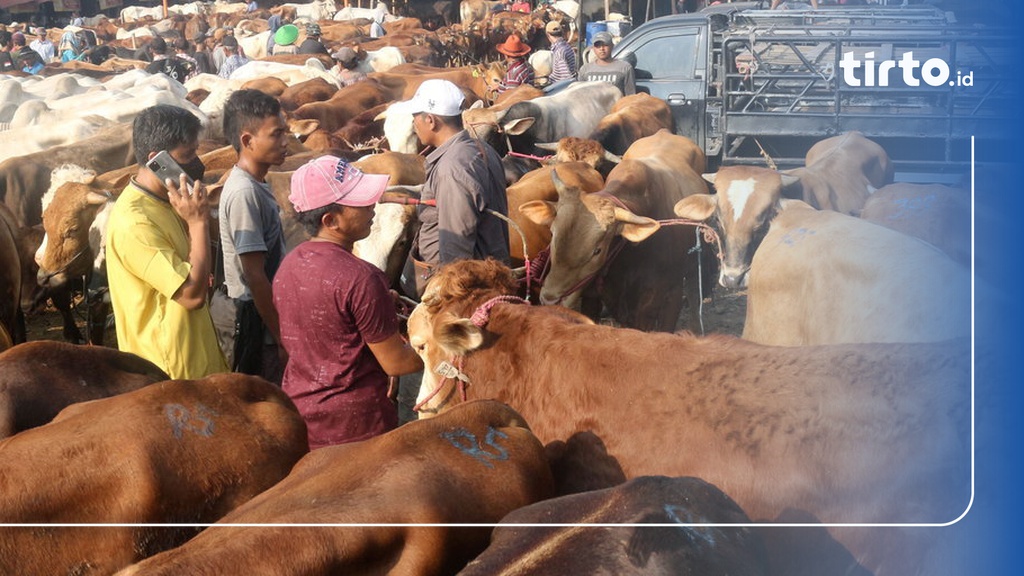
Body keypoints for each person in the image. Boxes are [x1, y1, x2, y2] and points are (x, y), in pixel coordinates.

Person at [273, 156, 424, 449]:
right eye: (361, 202)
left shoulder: (288, 265)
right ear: (331, 221)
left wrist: (377, 305)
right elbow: (397, 363)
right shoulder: (362, 277)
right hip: (359, 427)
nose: (373, 207)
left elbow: (327, 322)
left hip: (303, 417)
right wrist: (437, 347)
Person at [105, 105, 228, 380]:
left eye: (196, 151)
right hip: (169, 374)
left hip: (197, 359)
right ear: (156, 160)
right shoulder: (135, 222)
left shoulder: (172, 200)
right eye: (187, 155)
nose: (196, 162)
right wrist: (197, 223)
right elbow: (191, 295)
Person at [392, 79, 510, 297]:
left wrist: (449, 299)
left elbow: (456, 244)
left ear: (430, 120)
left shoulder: (452, 168)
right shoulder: (481, 148)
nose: (413, 125)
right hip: (487, 268)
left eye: (414, 118)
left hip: (461, 284)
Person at [216, 89, 291, 384]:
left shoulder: (256, 183)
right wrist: (282, 337)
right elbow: (255, 276)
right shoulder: (245, 192)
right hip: (255, 322)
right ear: (247, 140)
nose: (285, 142)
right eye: (276, 135)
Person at [578, 31, 635, 95]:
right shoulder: (585, 70)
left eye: (605, 45)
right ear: (593, 48)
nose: (602, 49)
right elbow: (581, 96)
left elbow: (630, 96)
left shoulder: (625, 68)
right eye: (598, 46)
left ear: (612, 46)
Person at [545, 20, 576, 84]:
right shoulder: (567, 46)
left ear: (548, 34)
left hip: (559, 86)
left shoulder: (559, 51)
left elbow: (566, 76)